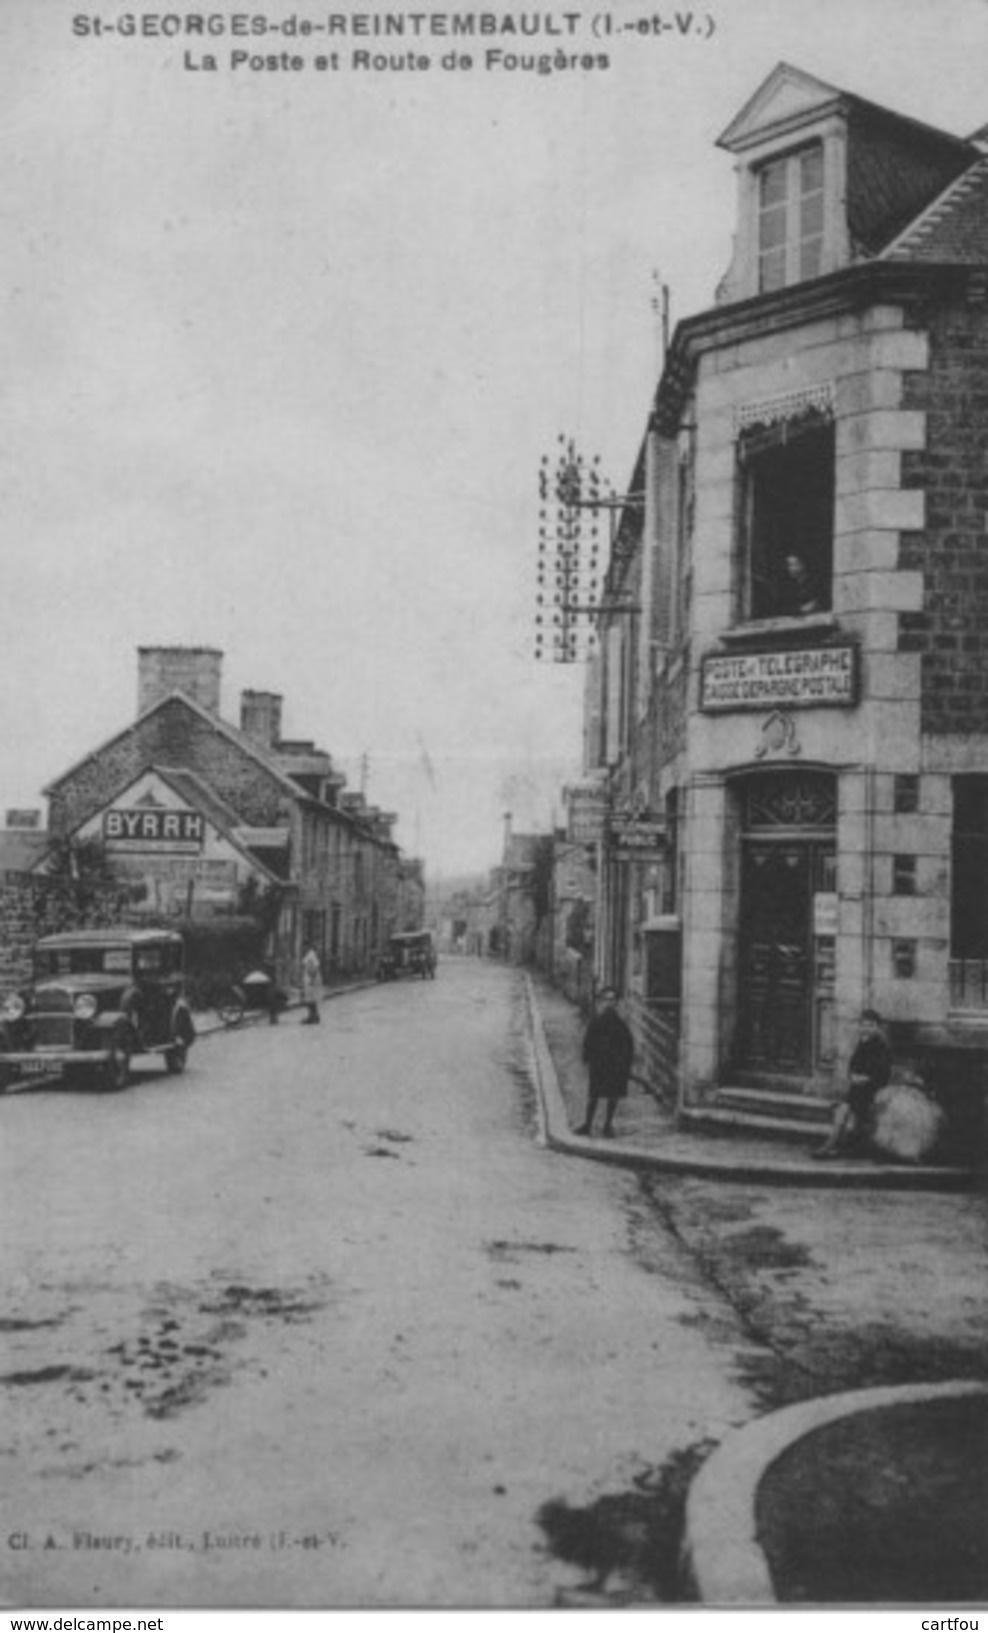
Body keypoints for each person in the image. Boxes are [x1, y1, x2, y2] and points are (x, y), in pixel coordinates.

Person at [814, 1008, 892, 1158]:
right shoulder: (861, 1044)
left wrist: (867, 1078)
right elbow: (853, 1064)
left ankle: (833, 1145)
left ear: (877, 1027)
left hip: (873, 1089)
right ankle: (832, 1144)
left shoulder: (881, 1047)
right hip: (859, 1087)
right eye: (863, 1024)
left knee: (847, 1107)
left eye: (870, 1025)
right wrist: (852, 1076)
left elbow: (883, 1073)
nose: (866, 1028)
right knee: (844, 1107)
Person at [575, 987, 634, 1139]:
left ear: (616, 1003)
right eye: (606, 1000)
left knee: (612, 1097)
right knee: (593, 1095)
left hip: (614, 1066)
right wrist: (587, 1058)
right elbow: (588, 1041)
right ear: (602, 1002)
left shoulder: (621, 1026)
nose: (609, 1003)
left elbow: (628, 1047)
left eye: (612, 1000)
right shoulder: (596, 1022)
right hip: (599, 1065)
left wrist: (624, 1064)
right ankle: (587, 1125)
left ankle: (607, 1125)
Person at [777, 552, 822, 617]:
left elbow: (817, 603)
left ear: (803, 564)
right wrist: (800, 610)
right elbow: (783, 607)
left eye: (795, 565)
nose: (791, 569)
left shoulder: (815, 583)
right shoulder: (787, 586)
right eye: (789, 565)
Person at [300, 946, 322, 1025]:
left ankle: (311, 1016)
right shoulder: (313, 954)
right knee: (313, 998)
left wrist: (311, 979)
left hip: (310, 979)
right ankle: (315, 1016)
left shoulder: (310, 955)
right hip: (313, 979)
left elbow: (311, 968)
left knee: (309, 999)